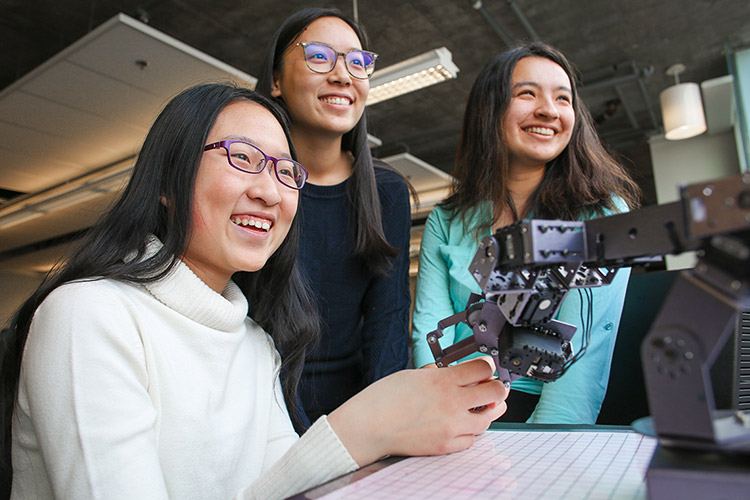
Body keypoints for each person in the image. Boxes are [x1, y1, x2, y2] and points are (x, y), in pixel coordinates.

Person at [0, 83, 506, 500]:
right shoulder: (89, 314)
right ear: (168, 182)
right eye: (242, 157)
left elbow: (275, 488)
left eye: (286, 171)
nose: (270, 191)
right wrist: (361, 428)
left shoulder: (254, 343)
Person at [411, 42, 641, 425]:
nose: (548, 110)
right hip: (455, 407)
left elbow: (584, 357)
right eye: (527, 93)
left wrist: (543, 447)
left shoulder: (602, 214)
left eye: (563, 98)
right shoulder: (446, 218)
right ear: (491, 109)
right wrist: (440, 419)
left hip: (544, 416)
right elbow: (429, 335)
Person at [252, 8, 413, 428]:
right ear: (275, 81)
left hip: (355, 413)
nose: (344, 76)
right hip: (257, 405)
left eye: (358, 62)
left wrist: (386, 427)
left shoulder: (386, 191)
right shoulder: (252, 183)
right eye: (320, 56)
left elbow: (388, 322)